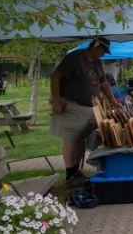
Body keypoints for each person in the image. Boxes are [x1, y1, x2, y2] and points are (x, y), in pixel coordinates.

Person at [50, 38, 117, 189]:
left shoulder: (97, 63)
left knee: (80, 139)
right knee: (71, 139)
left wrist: (113, 102)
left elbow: (104, 83)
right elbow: (55, 76)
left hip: (89, 107)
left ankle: (76, 171)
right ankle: (69, 174)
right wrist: (56, 100)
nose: (103, 55)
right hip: (73, 106)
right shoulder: (75, 57)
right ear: (95, 46)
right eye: (102, 51)